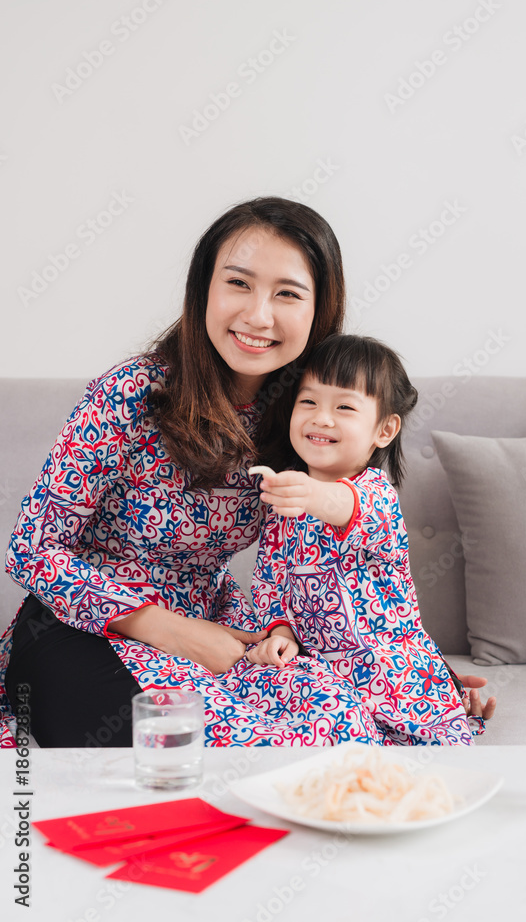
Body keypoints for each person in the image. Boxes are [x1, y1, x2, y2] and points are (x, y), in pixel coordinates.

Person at [1, 198, 387, 747]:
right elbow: (32, 550)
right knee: (178, 750)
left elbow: (351, 572)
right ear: (204, 288)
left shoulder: (309, 424)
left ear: (319, 311)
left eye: (287, 294)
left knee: (334, 729)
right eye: (238, 284)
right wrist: (179, 634)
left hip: (217, 626)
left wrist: (413, 675)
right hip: (78, 627)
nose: (258, 316)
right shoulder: (132, 393)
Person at [246, 333, 496, 744]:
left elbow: (344, 505)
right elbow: (269, 582)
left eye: (344, 407)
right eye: (308, 401)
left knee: (399, 723)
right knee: (264, 693)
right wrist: (280, 634)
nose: (321, 418)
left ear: (384, 429)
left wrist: (307, 493)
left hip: (384, 662)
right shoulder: (284, 505)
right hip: (317, 663)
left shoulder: (376, 494)